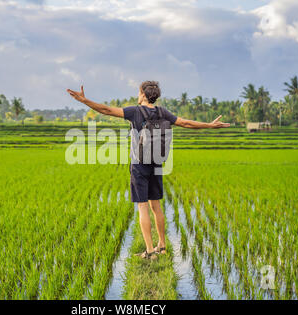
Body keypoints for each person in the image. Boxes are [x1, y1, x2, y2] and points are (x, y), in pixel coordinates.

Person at [67, 81, 230, 260]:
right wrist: (209, 125)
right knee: (156, 206)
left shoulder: (135, 111)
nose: (137, 95)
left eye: (138, 92)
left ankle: (150, 251)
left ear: (143, 95)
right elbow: (185, 123)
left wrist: (84, 100)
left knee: (143, 207)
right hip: (157, 164)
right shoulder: (162, 112)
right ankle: (163, 246)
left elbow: (106, 110)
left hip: (139, 165)